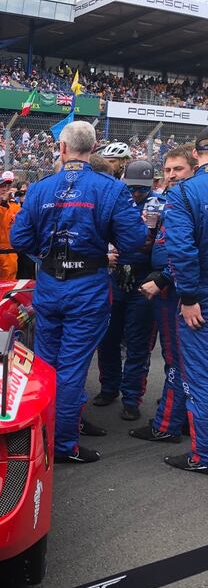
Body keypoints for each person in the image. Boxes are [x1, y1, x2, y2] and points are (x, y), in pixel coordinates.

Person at [10, 121, 148, 464]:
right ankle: (61, 445)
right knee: (71, 368)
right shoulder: (110, 188)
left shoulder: (42, 188)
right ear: (94, 148)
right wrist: (103, 252)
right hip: (87, 287)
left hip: (51, 286)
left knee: (45, 364)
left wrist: (45, 254)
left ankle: (38, 437)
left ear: (61, 148)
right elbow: (134, 241)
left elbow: (20, 239)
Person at [136, 145, 197, 444]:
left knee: (175, 359)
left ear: (193, 168)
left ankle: (167, 424)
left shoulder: (189, 200)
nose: (172, 175)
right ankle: (185, 417)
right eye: (168, 170)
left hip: (178, 293)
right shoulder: (172, 200)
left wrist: (162, 279)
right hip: (172, 289)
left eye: (179, 169)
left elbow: (187, 253)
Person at [94, 160, 160, 421]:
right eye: (131, 188)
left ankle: (131, 398)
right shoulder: (115, 200)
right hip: (114, 276)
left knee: (138, 342)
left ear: (152, 185)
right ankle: (109, 387)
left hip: (144, 281)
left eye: (141, 190)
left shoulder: (163, 204)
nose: (136, 194)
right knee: (108, 338)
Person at [159, 128, 208, 474]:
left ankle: (203, 455)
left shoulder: (185, 193)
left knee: (200, 377)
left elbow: (181, 250)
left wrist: (188, 297)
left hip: (200, 298)